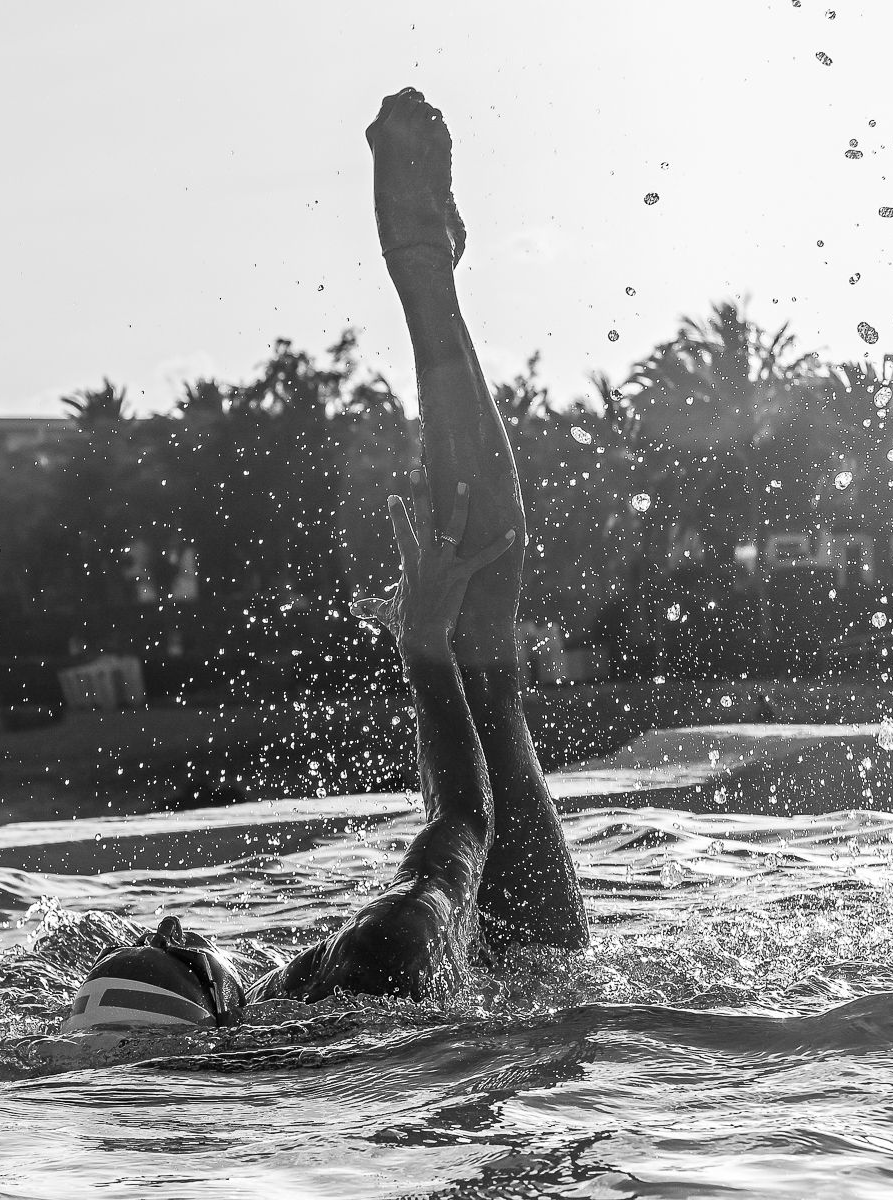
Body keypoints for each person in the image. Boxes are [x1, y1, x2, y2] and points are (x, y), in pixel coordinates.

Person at [62, 88, 589, 1031]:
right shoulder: (385, 945)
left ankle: (430, 276)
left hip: (437, 1019)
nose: (177, 921)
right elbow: (463, 825)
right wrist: (417, 645)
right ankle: (425, 276)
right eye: (174, 947)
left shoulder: (269, 1023)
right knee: (479, 646)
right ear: (202, 988)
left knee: (483, 641)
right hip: (526, 971)